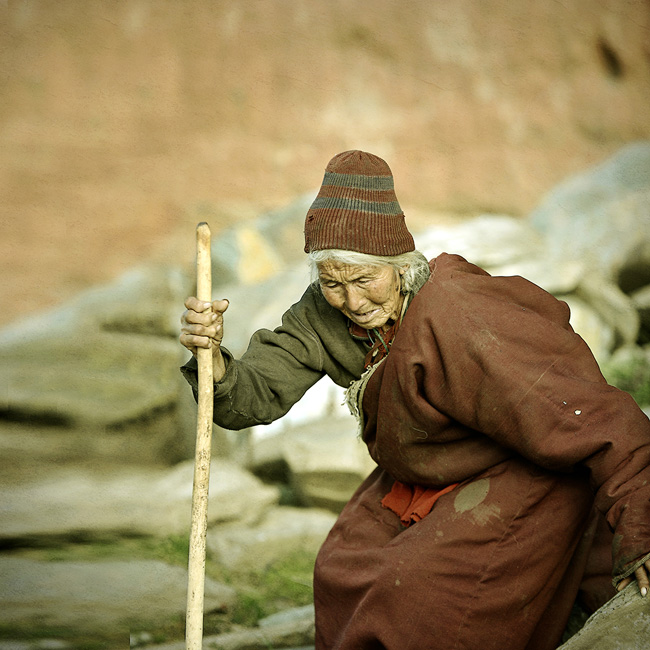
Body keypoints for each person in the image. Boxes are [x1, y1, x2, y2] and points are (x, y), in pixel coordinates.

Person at [180, 150, 650, 650]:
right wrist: (213, 360)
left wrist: (644, 528)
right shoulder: (324, 314)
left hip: (521, 470)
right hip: (430, 473)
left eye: (364, 280)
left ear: (399, 265)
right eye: (333, 283)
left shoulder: (459, 314)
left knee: (414, 595)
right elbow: (250, 397)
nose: (352, 303)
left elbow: (592, 417)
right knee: (341, 566)